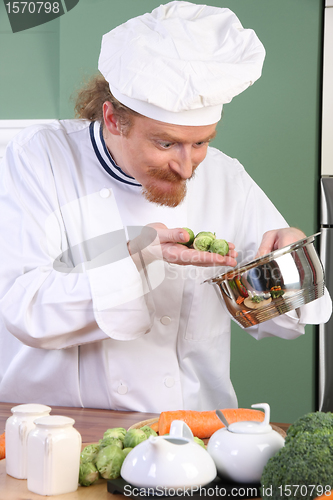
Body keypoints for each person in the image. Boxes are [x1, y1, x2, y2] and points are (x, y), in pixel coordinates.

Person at [0, 1, 331, 412]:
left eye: (201, 142)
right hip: (61, 430)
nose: (186, 167)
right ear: (113, 118)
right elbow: (23, 308)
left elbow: (279, 316)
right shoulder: (40, 159)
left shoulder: (226, 178)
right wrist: (137, 260)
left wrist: (290, 260)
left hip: (191, 433)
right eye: (166, 142)